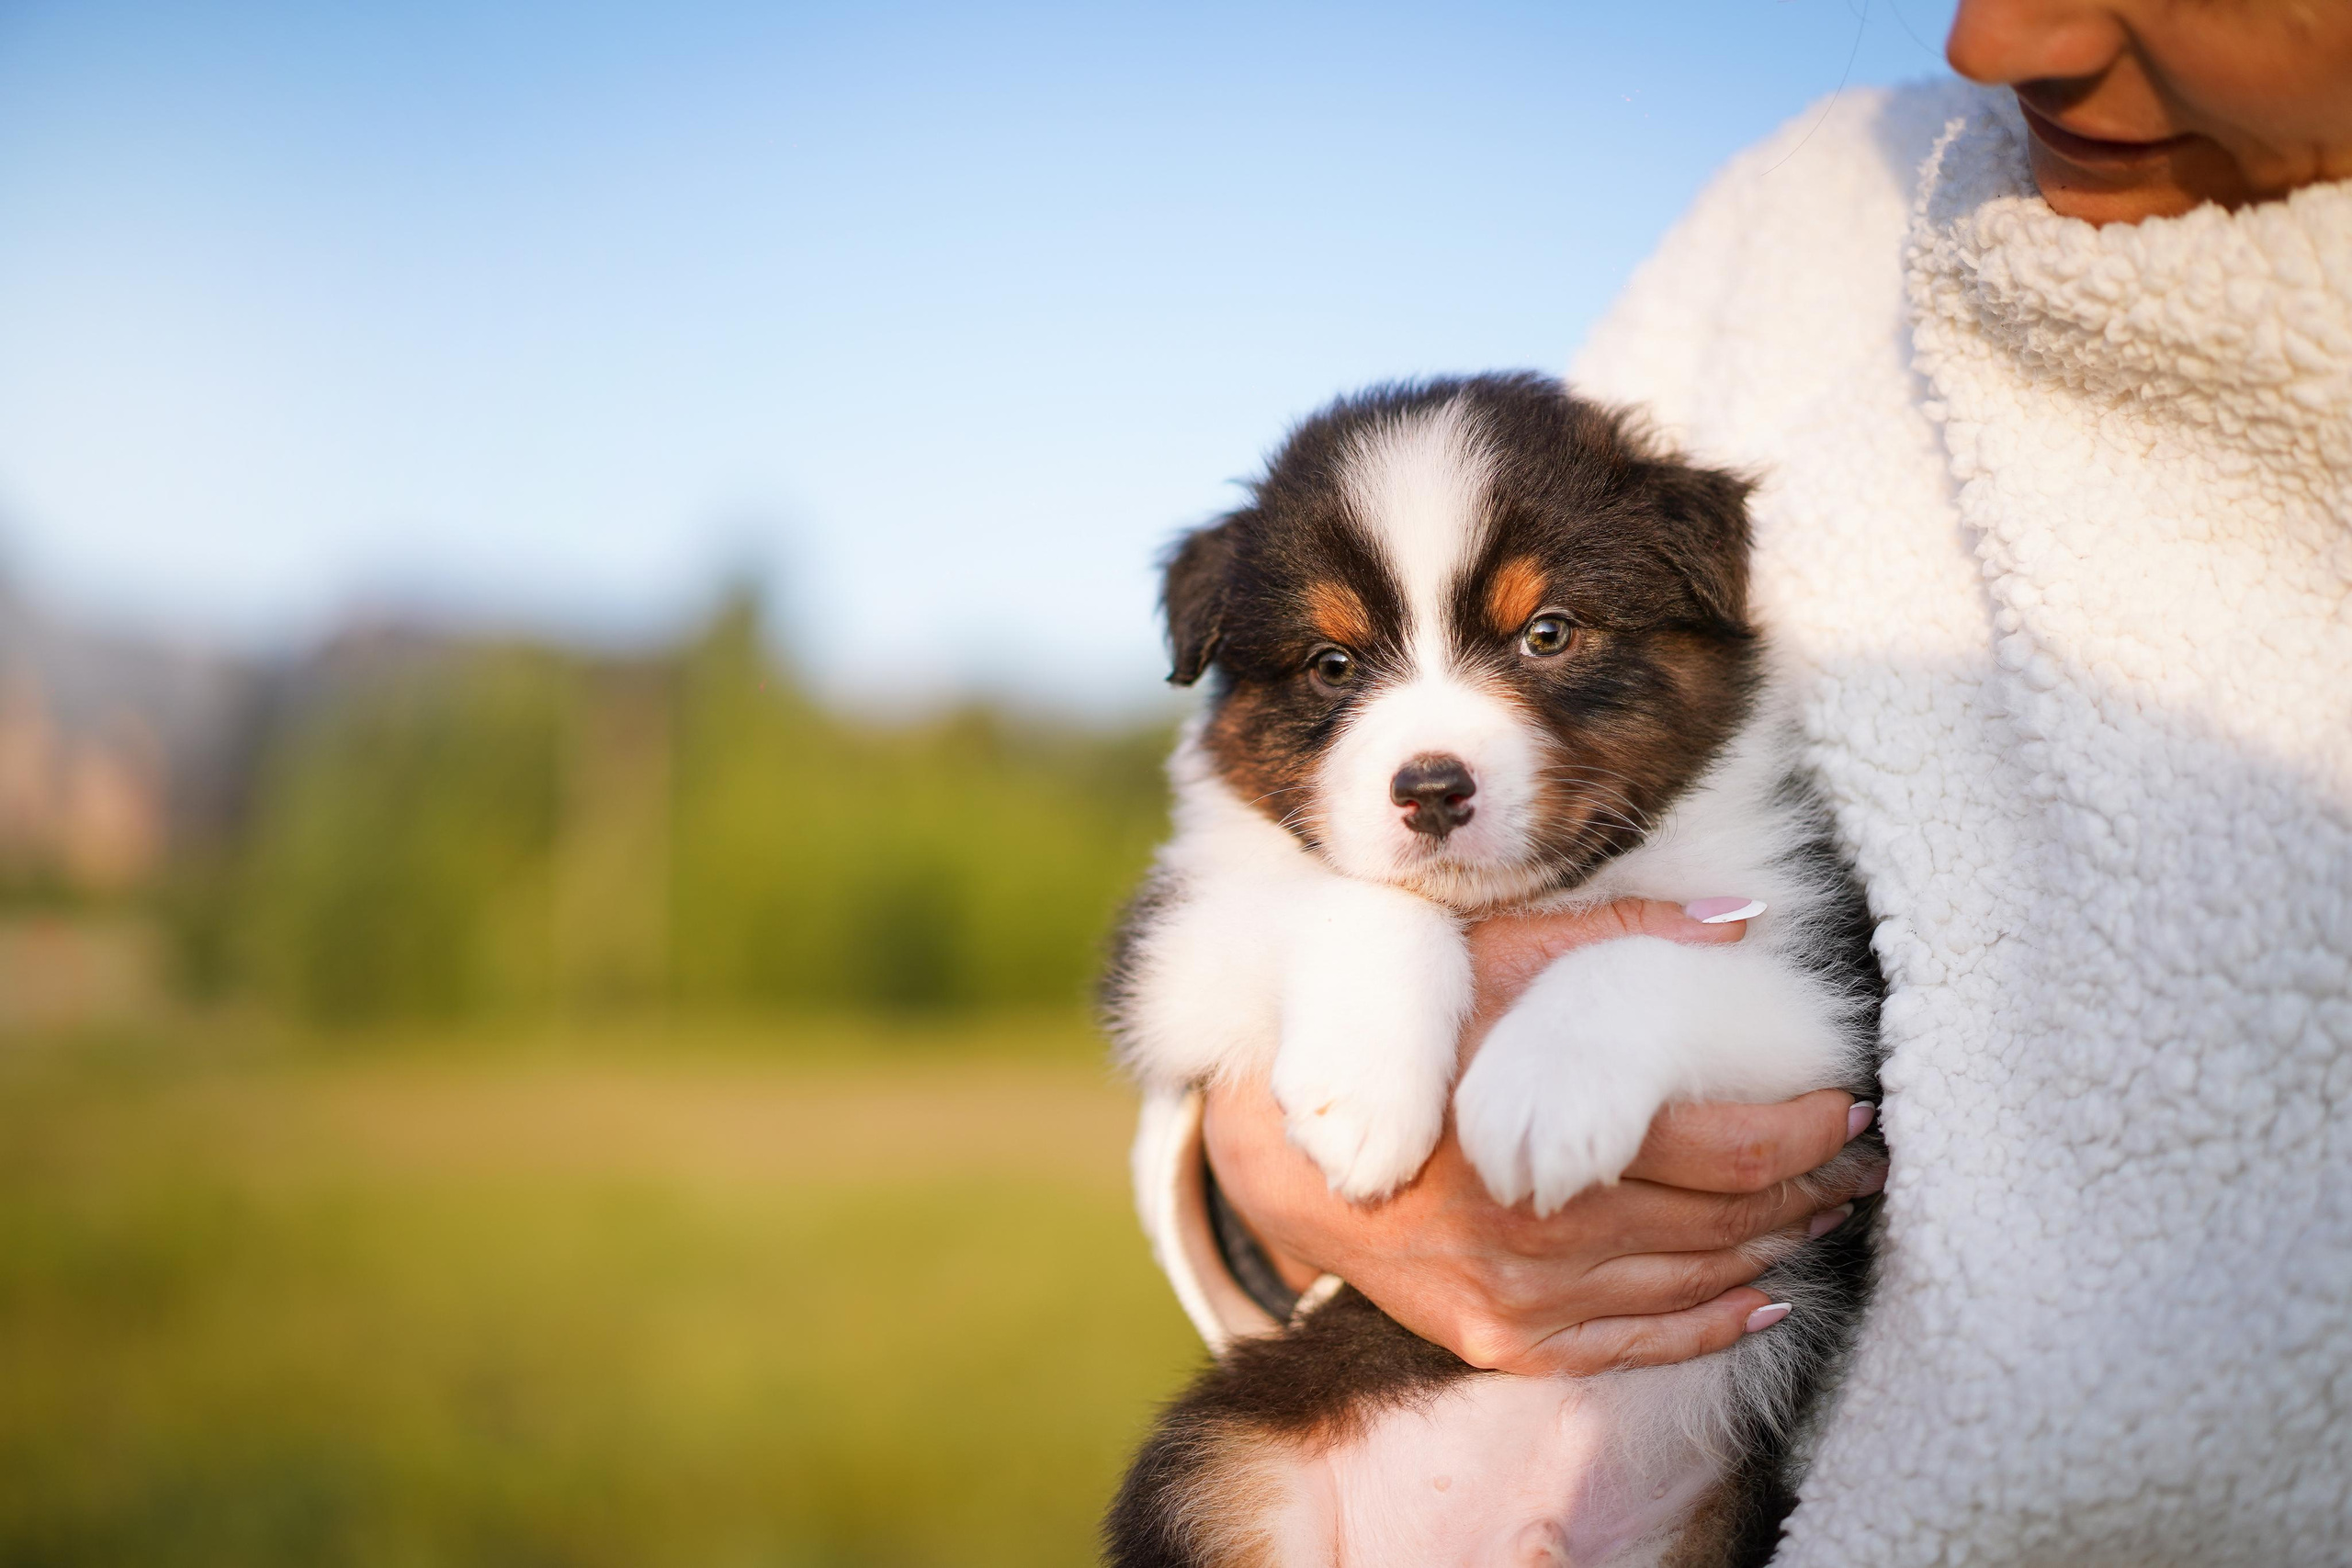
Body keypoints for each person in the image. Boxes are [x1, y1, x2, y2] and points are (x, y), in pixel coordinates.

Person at [1131, 0, 2352, 1561]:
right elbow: (1200, 1033)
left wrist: (1608, 1008)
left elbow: (1797, 1019)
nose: (2005, 33)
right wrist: (1273, 1144)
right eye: (1334, 668)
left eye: (1544, 635)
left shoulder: (1716, 788)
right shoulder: (1796, 229)